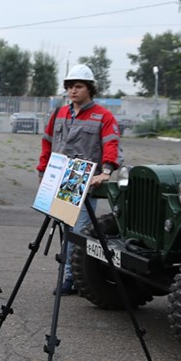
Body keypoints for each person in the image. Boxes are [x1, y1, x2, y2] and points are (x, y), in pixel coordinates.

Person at [37, 63, 122, 295]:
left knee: (78, 234)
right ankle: (72, 275)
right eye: (69, 87)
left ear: (89, 88)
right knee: (65, 231)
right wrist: (43, 170)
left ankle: (71, 278)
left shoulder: (103, 117)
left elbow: (112, 144)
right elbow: (47, 142)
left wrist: (106, 171)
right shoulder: (59, 114)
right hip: (60, 181)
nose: (72, 91)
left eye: (78, 86)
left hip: (83, 185)